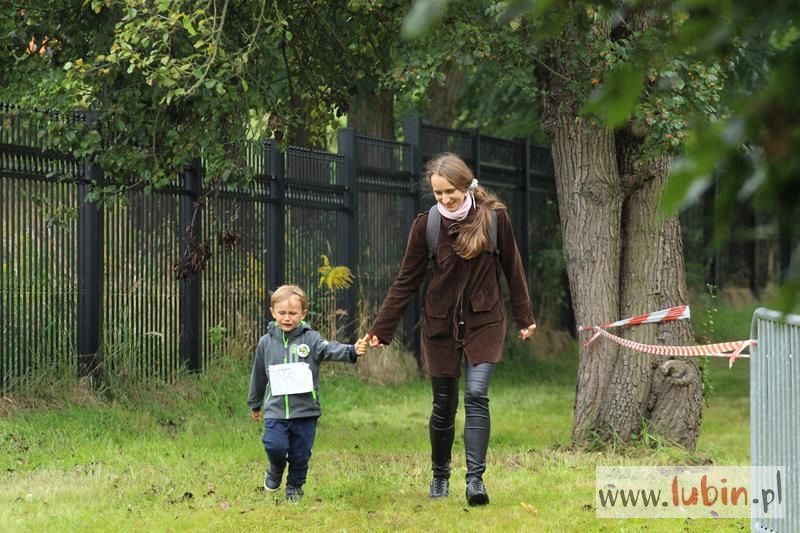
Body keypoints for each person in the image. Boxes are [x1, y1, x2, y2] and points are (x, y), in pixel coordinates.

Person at [365, 152, 536, 506]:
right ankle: (440, 476)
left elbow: (513, 268)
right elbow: (406, 281)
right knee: (444, 404)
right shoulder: (425, 226)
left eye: (450, 193)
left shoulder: (494, 218)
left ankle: (475, 481)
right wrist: (382, 328)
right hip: (440, 324)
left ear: (466, 186)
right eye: (438, 193)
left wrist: (525, 317)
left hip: (485, 320)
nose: (444, 200)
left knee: (476, 394)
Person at [248, 284, 368, 502]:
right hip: (276, 410)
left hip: (305, 411)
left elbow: (329, 349)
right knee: (275, 446)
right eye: (282, 313)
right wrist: (255, 403)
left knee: (300, 454)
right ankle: (275, 468)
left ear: (303, 314)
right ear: (273, 312)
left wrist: (351, 350)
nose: (287, 318)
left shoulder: (310, 339)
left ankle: (294, 487)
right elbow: (258, 374)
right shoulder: (266, 343)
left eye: (292, 313)